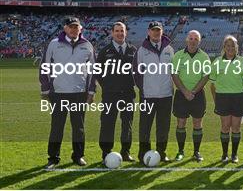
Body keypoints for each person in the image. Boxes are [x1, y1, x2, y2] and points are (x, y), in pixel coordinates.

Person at [40, 17, 96, 169]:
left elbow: (93, 71)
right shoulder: (54, 44)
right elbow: (44, 66)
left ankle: (78, 156)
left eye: (76, 27)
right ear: (65, 28)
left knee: (79, 127)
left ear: (81, 29)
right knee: (57, 127)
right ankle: (53, 157)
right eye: (70, 27)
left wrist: (91, 91)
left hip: (79, 93)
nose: (73, 29)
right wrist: (45, 89)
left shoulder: (87, 45)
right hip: (58, 93)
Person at [133, 21, 175, 163]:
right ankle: (143, 153)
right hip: (148, 96)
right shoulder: (142, 50)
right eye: (153, 30)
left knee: (163, 127)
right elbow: (136, 73)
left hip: (166, 95)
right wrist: (144, 89)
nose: (156, 32)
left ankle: (161, 152)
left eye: (158, 30)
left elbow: (173, 72)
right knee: (145, 126)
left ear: (162, 31)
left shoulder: (169, 49)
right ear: (148, 32)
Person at [96, 21, 137, 163]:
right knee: (107, 123)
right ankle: (106, 152)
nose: (120, 33)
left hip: (128, 94)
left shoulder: (133, 50)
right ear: (112, 33)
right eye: (117, 31)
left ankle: (125, 152)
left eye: (122, 31)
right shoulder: (105, 51)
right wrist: (106, 85)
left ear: (126, 32)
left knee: (127, 124)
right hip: (110, 95)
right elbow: (97, 71)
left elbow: (139, 71)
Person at [210, 35, 243, 163]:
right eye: (228, 46)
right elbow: (212, 84)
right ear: (224, 47)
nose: (230, 48)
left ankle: (234, 154)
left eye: (233, 45)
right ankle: (224, 154)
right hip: (222, 98)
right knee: (225, 126)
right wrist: (216, 100)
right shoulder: (217, 61)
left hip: (239, 97)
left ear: (237, 47)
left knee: (236, 127)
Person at [171, 30, 210, 162]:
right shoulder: (178, 55)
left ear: (199, 41)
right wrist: (185, 91)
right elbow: (174, 75)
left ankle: (196, 152)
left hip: (197, 95)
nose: (193, 41)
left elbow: (206, 76)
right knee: (181, 122)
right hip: (181, 94)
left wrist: (193, 91)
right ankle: (180, 151)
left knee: (197, 123)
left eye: (196, 39)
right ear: (187, 40)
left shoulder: (204, 57)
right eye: (191, 38)